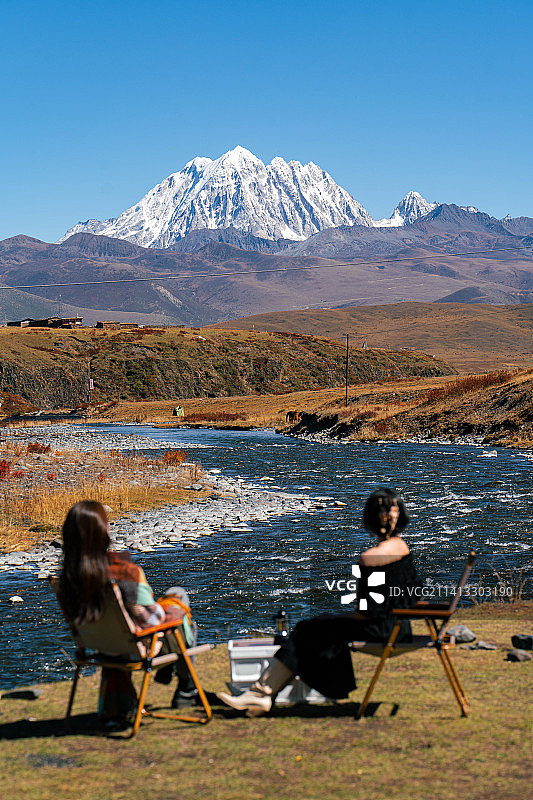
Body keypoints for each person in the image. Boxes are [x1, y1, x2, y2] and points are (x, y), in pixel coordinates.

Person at [218, 487, 423, 716]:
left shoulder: (371, 558)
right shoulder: (403, 548)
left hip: (382, 630)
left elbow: (365, 612)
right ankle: (262, 694)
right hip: (399, 626)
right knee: (314, 629)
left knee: (309, 628)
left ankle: (262, 693)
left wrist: (334, 617)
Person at [57, 500, 198, 722]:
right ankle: (187, 690)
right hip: (136, 649)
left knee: (172, 602)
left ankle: (171, 677)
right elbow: (151, 621)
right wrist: (168, 612)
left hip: (99, 648)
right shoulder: (124, 572)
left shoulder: (66, 579)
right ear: (103, 532)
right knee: (179, 604)